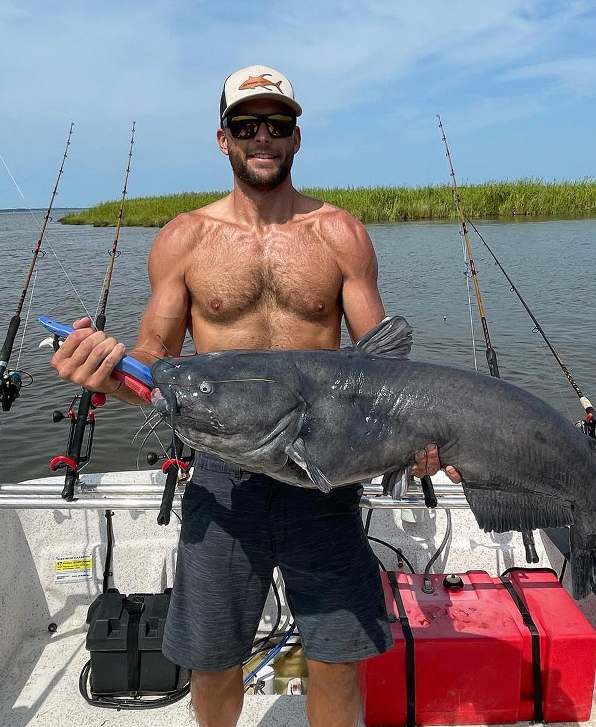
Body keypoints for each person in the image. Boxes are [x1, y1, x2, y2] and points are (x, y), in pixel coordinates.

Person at [51, 64, 459, 727]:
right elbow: (158, 360)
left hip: (321, 476)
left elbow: (382, 366)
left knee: (335, 657)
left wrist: (426, 436)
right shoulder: (185, 238)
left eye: (278, 123)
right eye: (247, 125)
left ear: (297, 136)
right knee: (212, 660)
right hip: (222, 475)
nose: (262, 136)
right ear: (223, 139)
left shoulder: (341, 235)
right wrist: (107, 368)